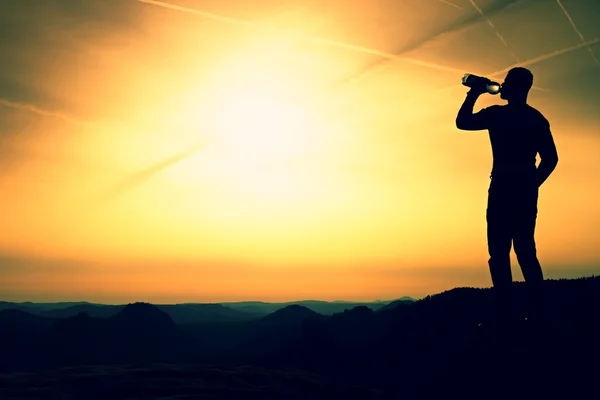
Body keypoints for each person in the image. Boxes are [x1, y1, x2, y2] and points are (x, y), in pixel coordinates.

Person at [455, 67, 559, 330]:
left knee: (499, 253)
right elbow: (551, 159)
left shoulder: (498, 115)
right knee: (526, 252)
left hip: (502, 188)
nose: (501, 85)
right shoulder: (537, 119)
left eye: (507, 82)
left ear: (515, 87)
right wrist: (532, 184)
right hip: (524, 191)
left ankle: (505, 315)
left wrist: (474, 93)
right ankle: (539, 313)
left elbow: (462, 122)